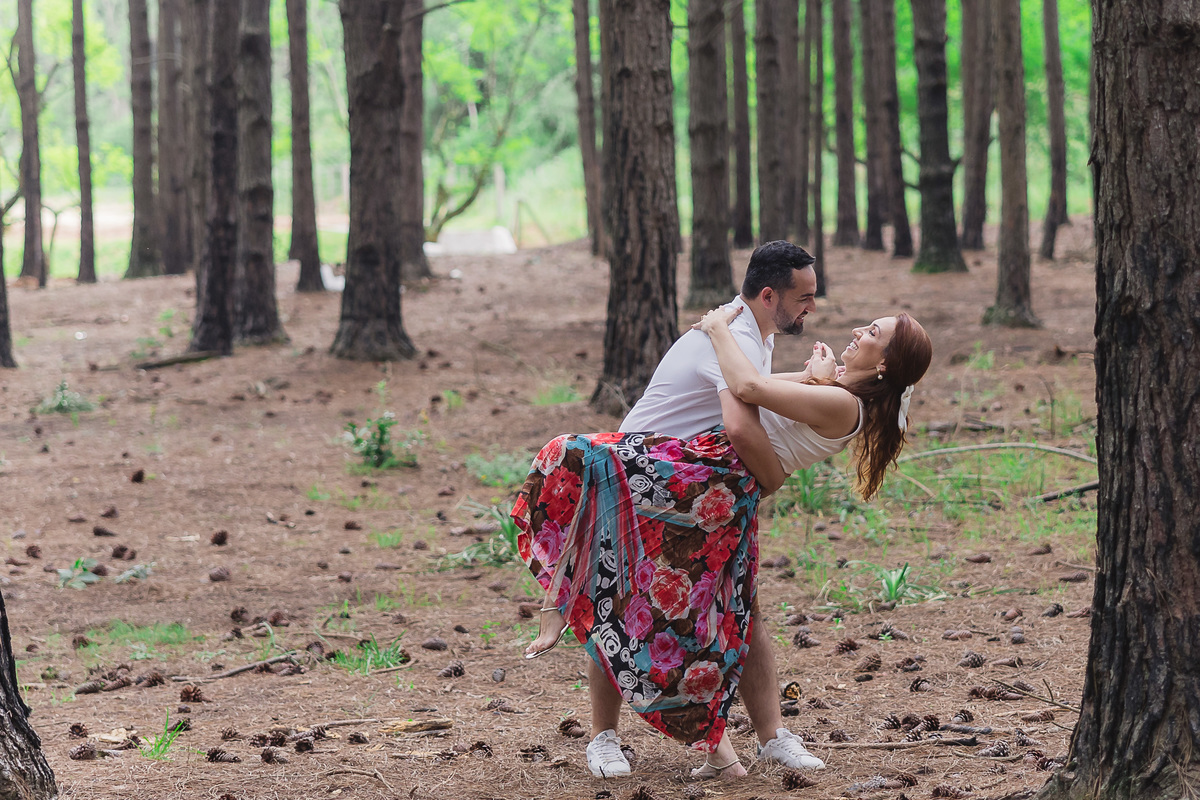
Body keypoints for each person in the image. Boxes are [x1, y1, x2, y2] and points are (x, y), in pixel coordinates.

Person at [511, 242, 933, 778]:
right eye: (805, 297)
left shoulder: (753, 346)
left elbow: (746, 399)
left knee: (727, 613)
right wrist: (804, 387)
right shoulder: (749, 341)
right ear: (768, 295)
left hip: (707, 487)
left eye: (871, 334)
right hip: (673, 475)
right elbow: (755, 404)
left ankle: (746, 739)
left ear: (886, 364)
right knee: (630, 592)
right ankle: (637, 732)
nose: (823, 314)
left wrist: (715, 334)